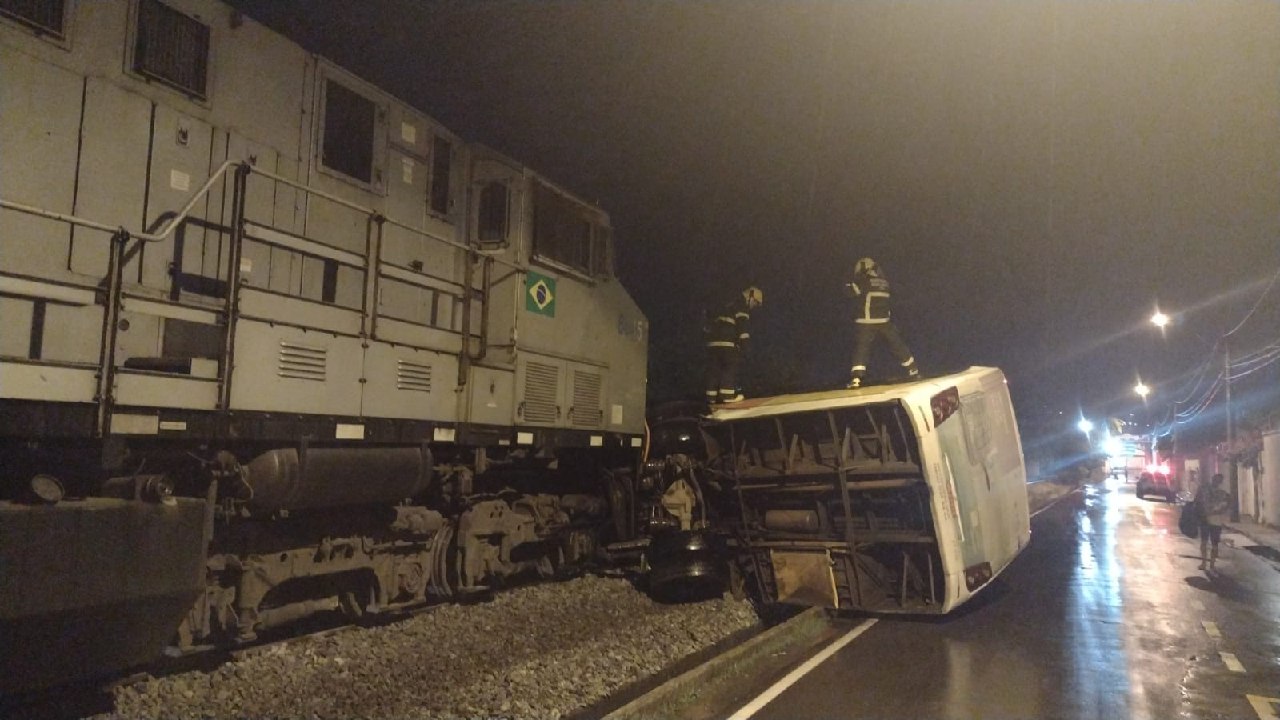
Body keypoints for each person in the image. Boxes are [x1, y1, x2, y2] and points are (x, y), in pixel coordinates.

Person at [845, 257, 919, 388]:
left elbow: (850, 292)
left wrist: (850, 282)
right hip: (884, 320)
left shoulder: (863, 282)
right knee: (897, 344)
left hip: (866, 321)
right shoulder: (884, 283)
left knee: (862, 349)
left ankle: (856, 378)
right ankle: (913, 370)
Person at [704, 286, 763, 404]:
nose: (754, 306)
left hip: (712, 344)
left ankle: (711, 398)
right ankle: (727, 396)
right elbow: (743, 329)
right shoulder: (741, 306)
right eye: (755, 303)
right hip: (727, 343)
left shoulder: (728, 303)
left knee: (714, 369)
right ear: (750, 297)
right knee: (730, 366)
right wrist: (745, 347)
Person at [1194, 473, 1231, 571]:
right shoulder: (1223, 493)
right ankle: (1211, 564)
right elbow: (1226, 507)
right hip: (1215, 520)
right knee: (1213, 543)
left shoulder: (1204, 490)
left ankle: (1204, 563)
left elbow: (1197, 502)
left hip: (1206, 519)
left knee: (1205, 542)